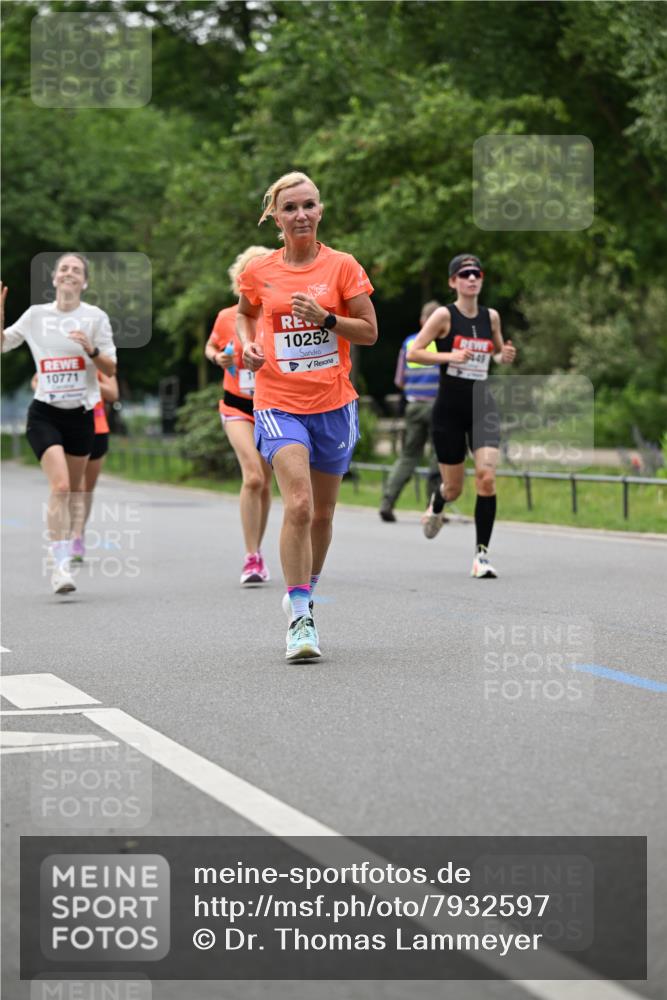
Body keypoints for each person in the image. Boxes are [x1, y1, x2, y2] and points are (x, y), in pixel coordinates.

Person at [236, 171, 377, 661]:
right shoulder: (260, 271)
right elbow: (245, 313)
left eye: (308, 205)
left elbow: (370, 332)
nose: (300, 215)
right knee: (297, 503)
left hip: (334, 404)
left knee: (322, 512)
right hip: (277, 402)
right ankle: (300, 617)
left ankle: (305, 588)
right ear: (275, 216)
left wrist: (326, 319)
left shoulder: (342, 268)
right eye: (290, 207)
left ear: (320, 211)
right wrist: (248, 347)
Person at [1, 254, 117, 594]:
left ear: (85, 282)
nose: (69, 274)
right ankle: (60, 565)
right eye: (63, 269)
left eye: (76, 270)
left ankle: (66, 549)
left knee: (75, 493)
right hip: (45, 413)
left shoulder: (95, 317)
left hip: (81, 416)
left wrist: (91, 350)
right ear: (54, 279)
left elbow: (109, 370)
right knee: (62, 487)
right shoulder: (36, 315)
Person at [406, 254, 516, 578]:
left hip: (482, 406)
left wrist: (503, 355)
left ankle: (481, 555)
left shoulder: (491, 317)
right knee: (453, 488)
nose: (472, 279)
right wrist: (449, 355)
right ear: (453, 281)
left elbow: (496, 351)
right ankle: (438, 503)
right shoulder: (443, 315)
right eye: (465, 274)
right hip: (449, 409)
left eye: (477, 274)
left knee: (486, 477)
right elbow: (414, 352)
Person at [204, 245, 274, 585]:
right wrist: (217, 358)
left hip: (273, 405)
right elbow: (212, 346)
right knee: (253, 477)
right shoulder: (227, 316)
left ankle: (257, 551)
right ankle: (251, 557)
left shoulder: (279, 315)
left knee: (265, 482)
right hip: (236, 405)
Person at [379, 300, 442, 522]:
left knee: (408, 456)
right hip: (439, 406)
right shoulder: (444, 344)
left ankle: (387, 501)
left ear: (422, 320)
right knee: (440, 456)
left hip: (414, 406)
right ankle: (433, 507)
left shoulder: (409, 343)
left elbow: (399, 381)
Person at [70, 371, 120, 561]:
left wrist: (88, 382)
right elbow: (37, 382)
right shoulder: (60, 355)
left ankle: (79, 531)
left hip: (97, 428)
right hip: (70, 428)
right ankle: (72, 533)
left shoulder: (98, 361)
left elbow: (113, 393)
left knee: (87, 489)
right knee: (73, 487)